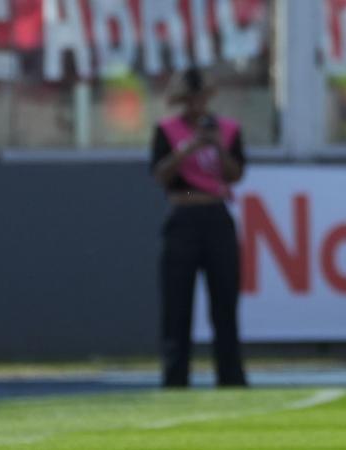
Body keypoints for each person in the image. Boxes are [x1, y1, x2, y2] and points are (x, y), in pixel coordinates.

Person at [149, 68, 247, 388]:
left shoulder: (228, 130)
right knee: (176, 304)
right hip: (183, 211)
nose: (195, 106)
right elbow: (162, 176)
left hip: (216, 216)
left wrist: (216, 146)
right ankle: (175, 376)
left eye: (200, 99)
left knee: (225, 302)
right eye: (189, 100)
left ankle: (230, 375)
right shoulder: (168, 131)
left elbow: (234, 175)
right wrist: (187, 150)